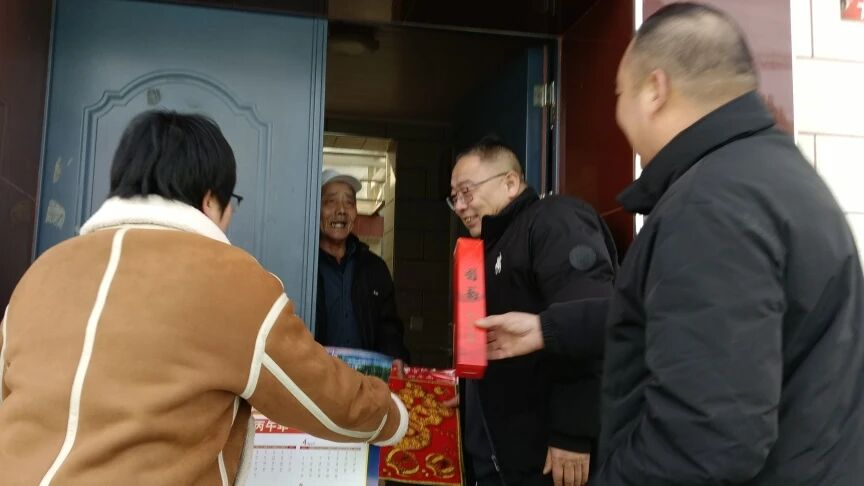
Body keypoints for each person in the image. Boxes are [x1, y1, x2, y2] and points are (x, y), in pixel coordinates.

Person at [0, 111, 407, 485]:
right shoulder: (233, 279)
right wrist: (393, 416)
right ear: (211, 199)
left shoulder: (40, 274)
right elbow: (326, 398)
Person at [594, 3, 864, 484]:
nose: (617, 113)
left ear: (654, 90)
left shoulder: (710, 204)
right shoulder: (777, 175)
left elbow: (702, 443)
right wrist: (549, 329)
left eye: (619, 93)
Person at [449, 137, 616, 486]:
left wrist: (573, 431)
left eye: (467, 192)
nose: (461, 206)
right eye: (454, 198)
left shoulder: (554, 220)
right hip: (500, 455)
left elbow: (592, 321)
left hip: (548, 457)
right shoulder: (488, 247)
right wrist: (468, 395)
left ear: (510, 182)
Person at [315, 169, 410, 366]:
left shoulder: (374, 268)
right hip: (315, 376)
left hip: (363, 378)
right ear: (316, 207)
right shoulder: (305, 265)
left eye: (349, 203)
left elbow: (388, 326)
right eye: (331, 201)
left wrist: (395, 354)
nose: (341, 210)